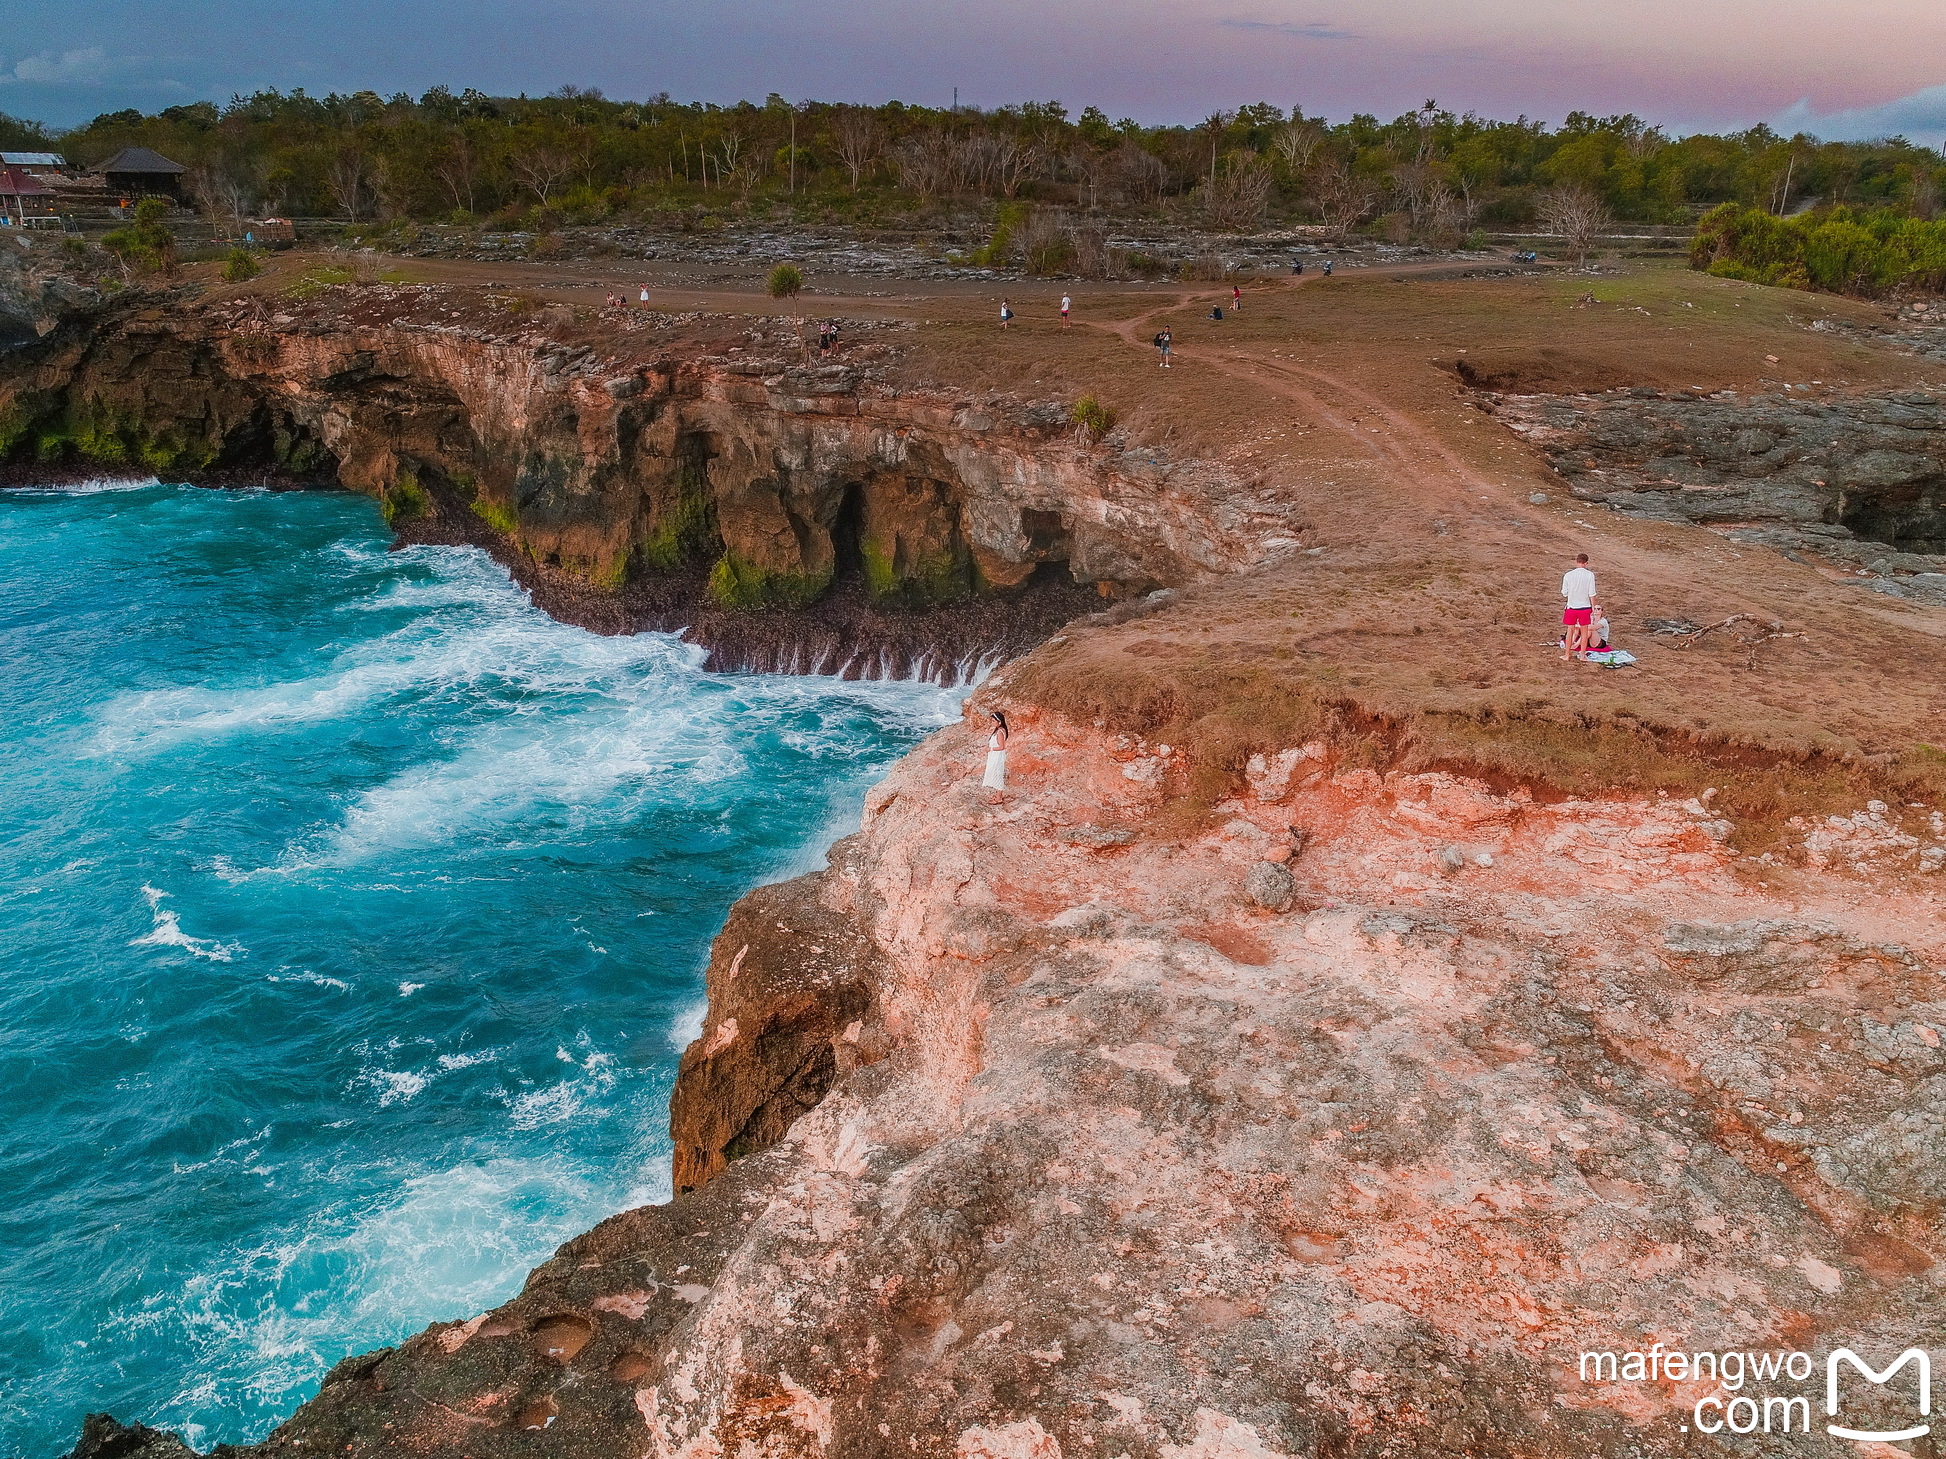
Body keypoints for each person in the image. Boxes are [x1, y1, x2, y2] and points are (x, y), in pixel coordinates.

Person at [1560, 553, 1598, 661]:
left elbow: (1564, 593)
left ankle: (1567, 655)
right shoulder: (1590, 575)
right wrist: (1593, 607)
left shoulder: (1568, 575)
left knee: (1570, 630)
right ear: (1586, 563)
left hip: (1572, 607)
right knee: (1584, 631)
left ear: (1576, 561)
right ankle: (1582, 655)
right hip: (1585, 607)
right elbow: (1592, 593)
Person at [982, 711, 1009, 791]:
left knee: (997, 774)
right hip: (995, 755)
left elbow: (1001, 747)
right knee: (996, 773)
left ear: (999, 722)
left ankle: (999, 797)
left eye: (993, 721)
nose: (992, 723)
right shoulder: (1000, 730)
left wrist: (990, 749)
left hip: (997, 756)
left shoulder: (1000, 732)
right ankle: (998, 795)